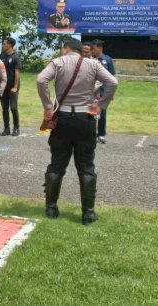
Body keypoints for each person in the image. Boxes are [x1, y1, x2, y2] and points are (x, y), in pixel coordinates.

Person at [37, 38, 118, 225]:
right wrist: (101, 105)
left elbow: (41, 80)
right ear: (80, 49)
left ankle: (51, 208)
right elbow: (113, 82)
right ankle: (88, 213)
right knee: (86, 166)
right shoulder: (92, 64)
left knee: (57, 164)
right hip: (85, 118)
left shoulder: (58, 62)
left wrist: (48, 106)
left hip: (62, 118)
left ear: (66, 48)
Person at [91, 39, 116, 144]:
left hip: (103, 92)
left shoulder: (108, 60)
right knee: (90, 113)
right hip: (91, 92)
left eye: (94, 48)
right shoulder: (89, 59)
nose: (92, 50)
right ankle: (91, 134)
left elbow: (112, 77)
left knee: (102, 114)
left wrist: (111, 93)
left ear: (100, 48)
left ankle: (101, 135)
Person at [0, 37, 21, 136]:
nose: (3, 45)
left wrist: (15, 86)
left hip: (13, 86)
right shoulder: (2, 57)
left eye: (4, 43)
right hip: (3, 86)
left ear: (10, 45)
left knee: (13, 108)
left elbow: (17, 73)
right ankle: (6, 128)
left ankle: (16, 128)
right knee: (4, 108)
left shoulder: (16, 57)